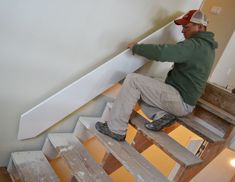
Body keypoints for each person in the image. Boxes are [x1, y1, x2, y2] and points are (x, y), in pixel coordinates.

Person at [95, 9, 218, 141]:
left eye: (186, 27)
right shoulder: (207, 47)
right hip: (184, 101)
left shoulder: (194, 45)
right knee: (145, 85)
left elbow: (162, 53)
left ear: (200, 27)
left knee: (132, 81)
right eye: (182, 27)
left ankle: (116, 129)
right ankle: (161, 115)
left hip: (181, 101)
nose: (183, 31)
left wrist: (137, 48)